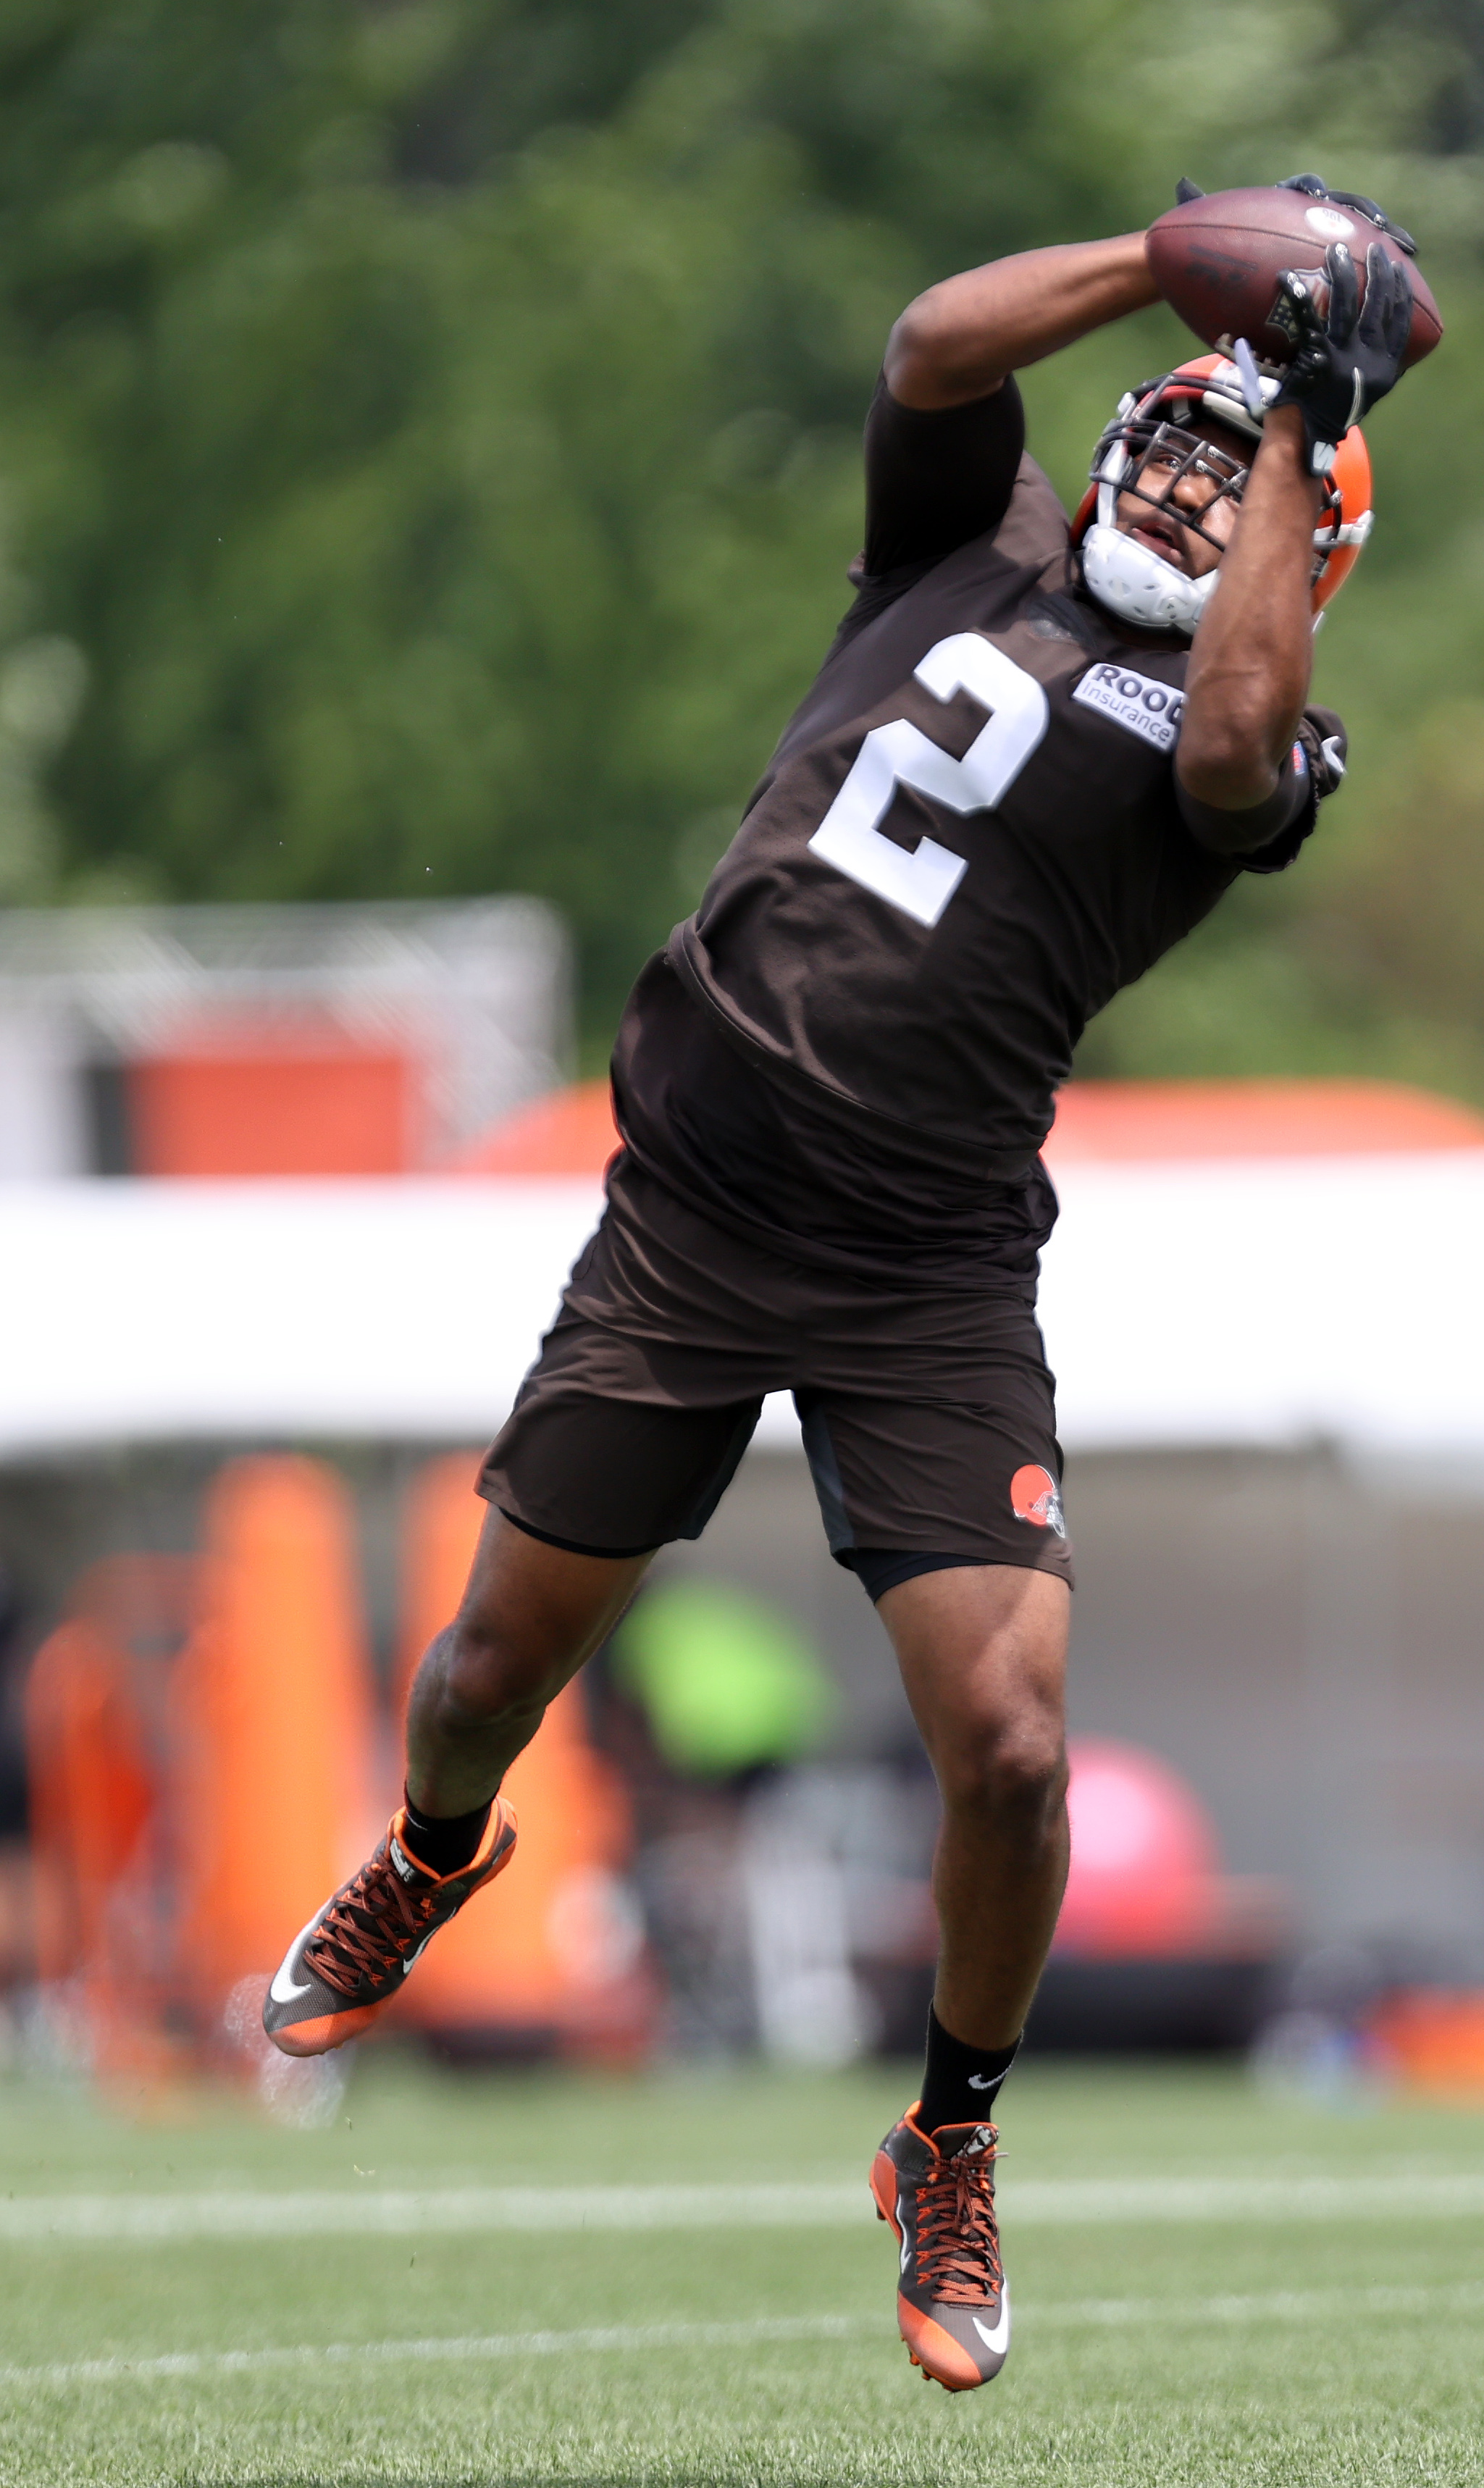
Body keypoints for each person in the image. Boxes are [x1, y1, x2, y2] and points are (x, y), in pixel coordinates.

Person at [263, 176, 1417, 2394]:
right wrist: (1173, 269)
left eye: (1236, 464)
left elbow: (1231, 747)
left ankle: (951, 2137)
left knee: (1008, 1745)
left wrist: (1312, 401)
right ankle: (423, 1858)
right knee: (494, 1658)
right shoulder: (956, 550)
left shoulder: (1254, 724)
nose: (1182, 472)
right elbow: (928, 347)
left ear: (1303, 532)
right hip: (690, 1207)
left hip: (923, 1264)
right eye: (1163, 438)